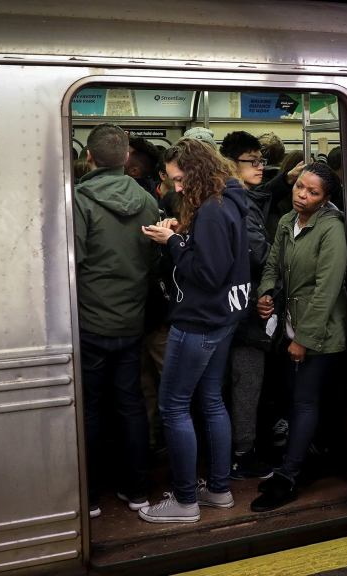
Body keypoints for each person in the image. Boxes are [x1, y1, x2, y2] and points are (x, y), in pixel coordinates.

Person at [138, 139, 251, 523]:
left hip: (199, 320)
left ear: (199, 171)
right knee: (211, 401)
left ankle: (185, 501)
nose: (179, 188)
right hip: (224, 318)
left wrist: (172, 243)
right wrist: (182, 237)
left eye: (182, 180)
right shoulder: (230, 199)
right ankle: (218, 490)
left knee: (173, 405)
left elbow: (206, 274)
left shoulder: (213, 211)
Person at [74, 123, 159, 518]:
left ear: (89, 157)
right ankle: (138, 490)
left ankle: (90, 497)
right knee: (130, 404)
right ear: (126, 158)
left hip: (90, 321)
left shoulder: (79, 200)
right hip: (132, 318)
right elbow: (152, 258)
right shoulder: (147, 201)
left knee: (89, 407)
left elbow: (73, 263)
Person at [253, 162, 347, 512]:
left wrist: (303, 339)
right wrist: (265, 293)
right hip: (291, 322)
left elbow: (327, 289)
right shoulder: (285, 222)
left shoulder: (331, 229)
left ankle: (289, 477)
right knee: (294, 400)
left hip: (320, 332)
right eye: (299, 188)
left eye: (313, 193)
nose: (302, 196)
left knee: (305, 401)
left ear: (325, 200)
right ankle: (299, 460)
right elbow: (273, 264)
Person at [218, 131, 275, 479]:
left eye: (262, 160)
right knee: (245, 381)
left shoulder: (240, 199)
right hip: (246, 310)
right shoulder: (239, 203)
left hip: (236, 306)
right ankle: (242, 452)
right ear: (231, 164)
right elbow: (259, 253)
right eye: (252, 161)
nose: (260, 167)